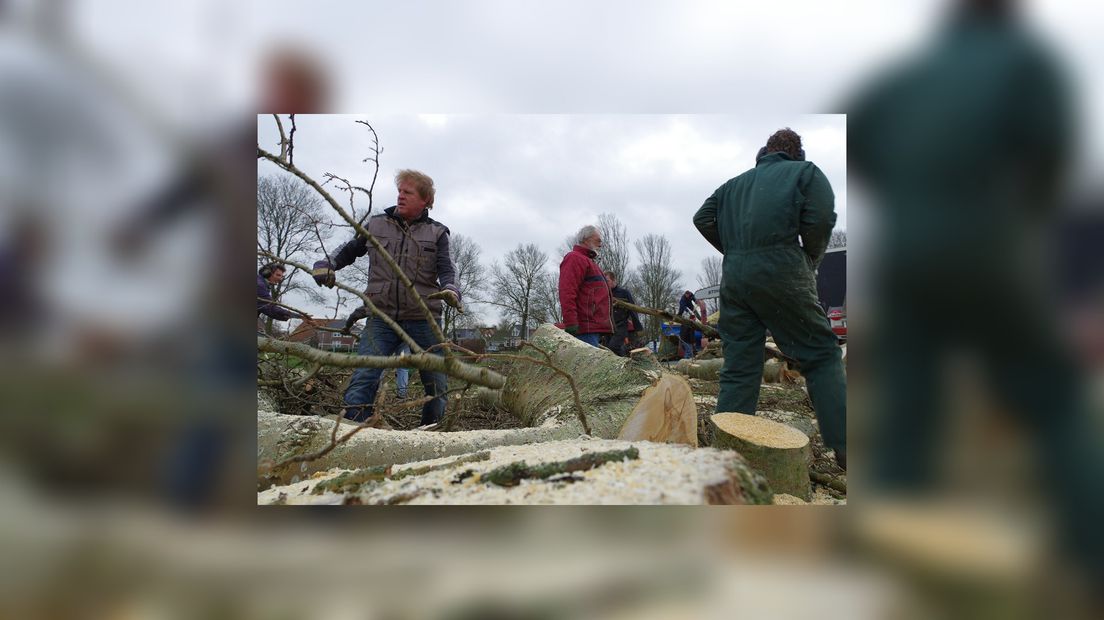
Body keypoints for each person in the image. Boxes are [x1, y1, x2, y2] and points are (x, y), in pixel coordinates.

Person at [693, 128, 846, 469]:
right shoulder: (806, 173)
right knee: (820, 355)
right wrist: (811, 257)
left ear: (764, 155)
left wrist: (735, 250)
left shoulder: (731, 186)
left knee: (740, 365)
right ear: (797, 153)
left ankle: (724, 457)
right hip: (783, 267)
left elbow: (702, 218)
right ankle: (847, 446)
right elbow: (820, 219)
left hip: (735, 278)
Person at [311, 169, 461, 427]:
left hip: (424, 318)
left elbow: (448, 268)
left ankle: (430, 436)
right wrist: (327, 264)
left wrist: (451, 289)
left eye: (408, 192)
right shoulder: (376, 224)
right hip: (381, 316)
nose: (400, 196)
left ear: (425, 200)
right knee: (364, 377)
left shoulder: (437, 233)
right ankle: (354, 435)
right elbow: (348, 250)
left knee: (437, 383)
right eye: (399, 191)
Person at [558, 225, 612, 347]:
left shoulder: (588, 262)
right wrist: (571, 322)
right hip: (583, 328)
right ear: (586, 240)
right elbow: (567, 291)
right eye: (598, 240)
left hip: (591, 328)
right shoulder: (575, 258)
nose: (601, 245)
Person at [604, 270, 643, 356]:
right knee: (607, 350)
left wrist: (638, 327)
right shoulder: (604, 294)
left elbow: (633, 309)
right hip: (608, 326)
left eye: (607, 281)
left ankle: (625, 362)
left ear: (614, 280)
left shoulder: (624, 293)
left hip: (620, 325)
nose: (605, 283)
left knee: (613, 346)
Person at [676, 290, 701, 359]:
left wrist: (696, 301)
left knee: (695, 312)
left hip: (690, 306)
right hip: (684, 308)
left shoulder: (691, 295)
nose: (688, 296)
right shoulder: (682, 299)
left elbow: (694, 298)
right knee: (689, 352)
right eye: (687, 295)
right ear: (685, 294)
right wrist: (687, 311)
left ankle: (700, 318)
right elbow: (683, 307)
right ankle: (686, 362)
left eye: (689, 295)